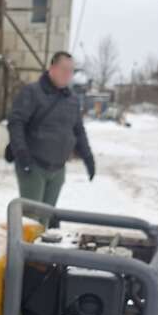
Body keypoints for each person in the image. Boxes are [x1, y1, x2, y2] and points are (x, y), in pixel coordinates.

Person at [8, 51, 95, 207]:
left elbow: (78, 131)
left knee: (47, 218)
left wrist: (88, 158)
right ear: (52, 69)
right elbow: (16, 123)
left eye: (71, 70)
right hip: (34, 167)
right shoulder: (32, 92)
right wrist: (22, 155)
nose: (67, 74)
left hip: (58, 169)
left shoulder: (72, 99)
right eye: (63, 69)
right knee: (32, 221)